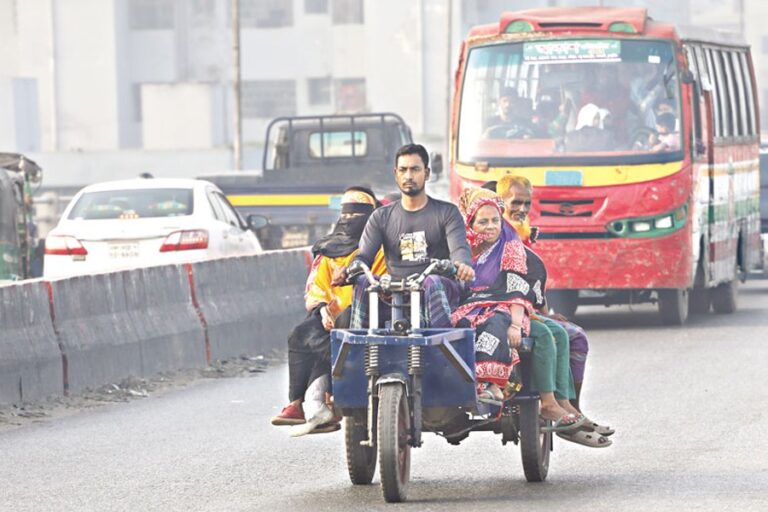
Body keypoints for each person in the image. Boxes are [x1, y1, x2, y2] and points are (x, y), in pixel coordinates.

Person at [453, 187, 600, 441]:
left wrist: (516, 321)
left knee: (559, 334)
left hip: (509, 311)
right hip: (470, 313)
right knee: (545, 333)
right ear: (469, 220)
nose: (490, 226)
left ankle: (561, 404)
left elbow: (517, 288)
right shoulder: (457, 249)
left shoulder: (510, 246)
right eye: (482, 220)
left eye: (495, 220)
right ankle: (550, 402)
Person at [495, 175, 614, 444]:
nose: (522, 209)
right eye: (516, 203)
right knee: (555, 335)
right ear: (500, 202)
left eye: (526, 203)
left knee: (568, 335)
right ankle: (553, 404)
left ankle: (569, 406)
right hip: (505, 312)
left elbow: (533, 281)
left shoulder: (521, 232)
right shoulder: (497, 232)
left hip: (526, 309)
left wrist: (544, 312)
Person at [271, 186, 386, 436]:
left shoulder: (380, 248)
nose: (349, 220)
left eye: (357, 215)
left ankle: (329, 399)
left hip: (368, 311)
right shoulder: (327, 250)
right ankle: (297, 403)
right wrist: (322, 309)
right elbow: (316, 286)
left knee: (340, 339)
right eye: (345, 214)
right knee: (299, 335)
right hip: (330, 313)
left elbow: (382, 279)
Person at [338, 143, 475, 329]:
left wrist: (462, 265)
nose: (408, 176)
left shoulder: (447, 212)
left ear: (426, 173)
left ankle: (439, 349)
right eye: (403, 170)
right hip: (395, 292)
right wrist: (350, 269)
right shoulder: (381, 216)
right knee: (363, 281)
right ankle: (360, 352)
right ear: (396, 174)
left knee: (432, 282)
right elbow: (364, 256)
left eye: (415, 169)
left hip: (437, 288)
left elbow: (459, 248)